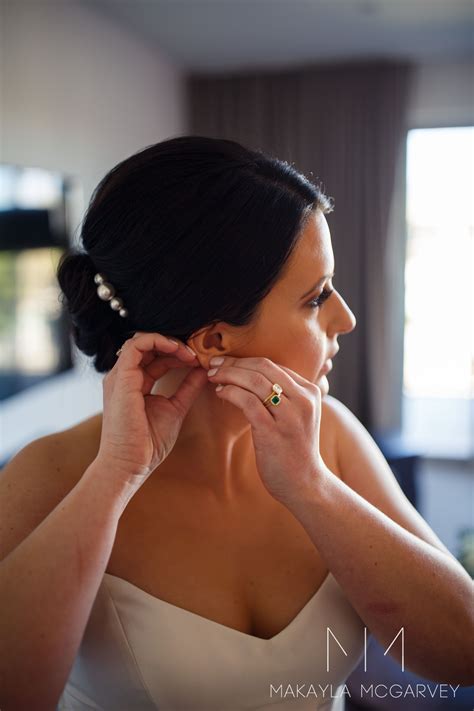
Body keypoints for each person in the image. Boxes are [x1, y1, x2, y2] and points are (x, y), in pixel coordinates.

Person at [0, 136, 472, 711]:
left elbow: (461, 651)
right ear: (214, 341)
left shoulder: (333, 436)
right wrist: (116, 475)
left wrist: (311, 486)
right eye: (316, 297)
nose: (345, 318)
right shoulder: (49, 474)